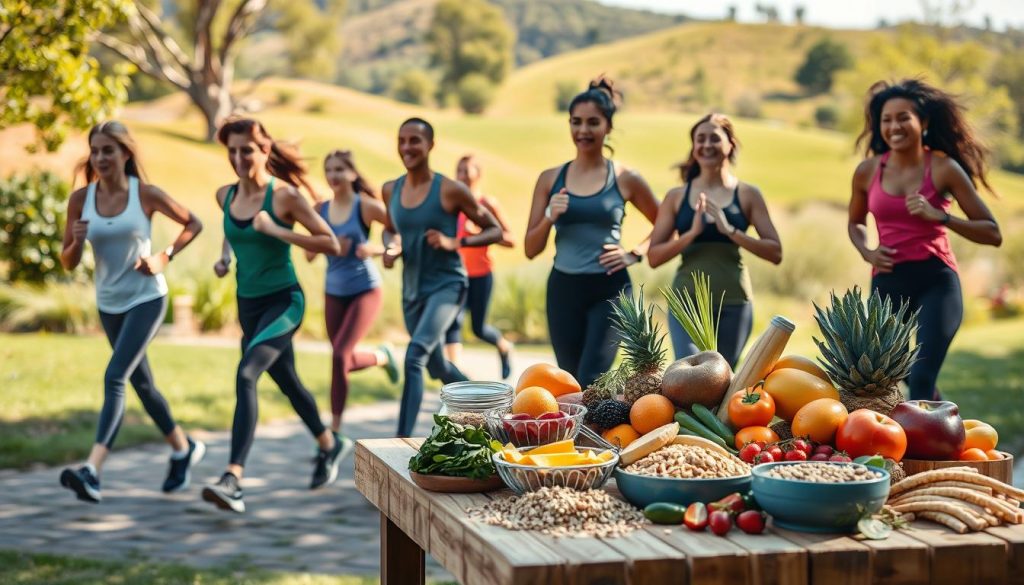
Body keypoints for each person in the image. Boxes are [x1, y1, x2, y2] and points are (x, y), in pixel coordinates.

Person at [201, 117, 343, 513]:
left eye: (246, 150)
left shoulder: (284, 197)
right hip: (248, 304)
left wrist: (278, 231)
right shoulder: (225, 195)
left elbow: (330, 243)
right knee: (288, 382)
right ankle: (329, 443)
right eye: (232, 150)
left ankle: (233, 479)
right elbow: (232, 228)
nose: (238, 157)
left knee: (247, 374)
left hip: (284, 302)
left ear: (264, 150)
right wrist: (225, 257)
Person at [58, 120, 205, 503]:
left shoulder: (145, 194)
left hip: (146, 299)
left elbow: (194, 222)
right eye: (95, 151)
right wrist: (76, 243)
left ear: (125, 153)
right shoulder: (81, 200)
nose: (101, 157)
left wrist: (164, 256)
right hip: (109, 303)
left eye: (108, 150)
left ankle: (92, 471)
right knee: (142, 385)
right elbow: (68, 263)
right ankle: (183, 448)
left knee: (115, 377)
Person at [849, 79, 1002, 401]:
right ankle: (945, 424)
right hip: (888, 281)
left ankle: (926, 431)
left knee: (921, 375)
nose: (894, 126)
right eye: (887, 119)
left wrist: (942, 217)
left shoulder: (944, 168)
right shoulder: (867, 171)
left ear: (924, 121)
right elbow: (856, 223)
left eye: (903, 117)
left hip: (936, 280)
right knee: (894, 373)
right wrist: (867, 251)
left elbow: (992, 232)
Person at [524, 77, 659, 389]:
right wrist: (549, 216)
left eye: (593, 122)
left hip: (610, 289)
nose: (583, 130)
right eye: (576, 122)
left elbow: (666, 222)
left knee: (592, 378)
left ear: (608, 126)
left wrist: (634, 253)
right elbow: (531, 248)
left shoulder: (625, 178)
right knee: (570, 383)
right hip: (563, 290)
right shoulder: (550, 179)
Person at [381, 118, 503, 437]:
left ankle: (400, 441)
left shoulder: (449, 190)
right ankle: (492, 410)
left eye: (415, 140)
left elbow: (494, 230)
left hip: (447, 286)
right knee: (438, 367)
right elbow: (389, 229)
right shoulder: (391, 189)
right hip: (412, 291)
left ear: (430, 145)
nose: (407, 147)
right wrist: (391, 247)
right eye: (402, 140)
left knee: (414, 357)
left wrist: (455, 242)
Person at [648, 113, 782, 366]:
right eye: (700, 139)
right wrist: (691, 234)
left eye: (714, 138)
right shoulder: (676, 197)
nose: (707, 144)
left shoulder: (748, 194)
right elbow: (654, 257)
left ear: (730, 144)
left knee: (724, 376)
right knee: (689, 373)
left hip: (734, 302)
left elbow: (775, 252)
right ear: (694, 147)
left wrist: (730, 231)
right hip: (686, 302)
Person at [305, 149, 399, 447]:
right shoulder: (319, 210)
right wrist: (330, 244)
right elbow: (309, 254)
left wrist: (374, 249)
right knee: (340, 358)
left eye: (339, 169)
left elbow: (395, 231)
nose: (333, 175)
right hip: (333, 291)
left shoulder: (365, 206)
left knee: (339, 356)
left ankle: (334, 431)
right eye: (328, 170)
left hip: (365, 289)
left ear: (352, 173)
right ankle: (382, 356)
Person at [443, 154, 516, 379]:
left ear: (478, 174)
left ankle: (504, 346)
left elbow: (510, 239)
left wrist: (482, 234)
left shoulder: (487, 204)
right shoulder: (452, 206)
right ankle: (454, 376)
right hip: (457, 275)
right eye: (459, 171)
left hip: (481, 274)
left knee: (479, 329)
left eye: (466, 170)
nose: (462, 175)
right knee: (452, 323)